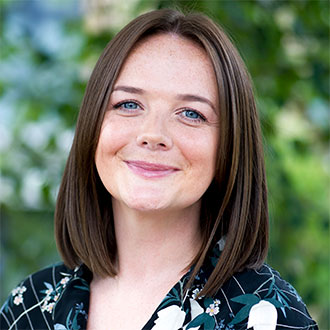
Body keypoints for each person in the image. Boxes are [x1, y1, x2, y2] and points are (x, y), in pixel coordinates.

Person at [0, 8, 318, 330]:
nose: (153, 134)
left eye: (191, 114)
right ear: (92, 125)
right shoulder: (30, 307)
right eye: (128, 104)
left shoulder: (270, 317)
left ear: (229, 148)